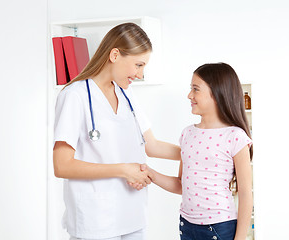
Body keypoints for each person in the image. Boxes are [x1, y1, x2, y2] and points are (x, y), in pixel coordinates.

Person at [53, 22, 181, 240]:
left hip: (132, 214)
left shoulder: (127, 95)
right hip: (96, 220)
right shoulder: (75, 95)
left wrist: (200, 149)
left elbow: (152, 145)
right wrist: (124, 170)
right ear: (114, 55)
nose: (140, 74)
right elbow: (62, 166)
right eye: (138, 65)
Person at [146, 63, 253, 240]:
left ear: (218, 94)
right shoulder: (188, 134)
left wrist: (240, 238)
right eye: (191, 89)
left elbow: (245, 193)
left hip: (220, 227)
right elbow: (181, 185)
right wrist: (151, 174)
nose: (189, 95)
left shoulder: (235, 136)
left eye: (196, 89)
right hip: (187, 225)